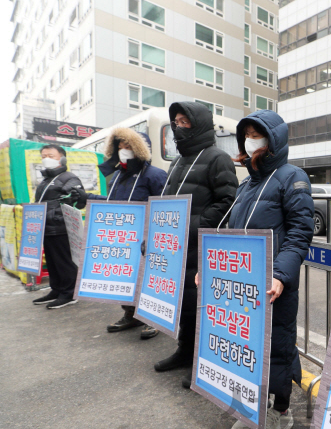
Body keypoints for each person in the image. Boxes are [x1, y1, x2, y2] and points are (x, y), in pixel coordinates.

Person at [223, 110, 314, 429]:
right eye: (245, 133)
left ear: (274, 138)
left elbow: (300, 233)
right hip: (243, 284)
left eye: (257, 133)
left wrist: (280, 274)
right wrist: (212, 265)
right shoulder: (246, 183)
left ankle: (282, 411)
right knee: (251, 347)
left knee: (277, 345)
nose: (250, 139)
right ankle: (256, 407)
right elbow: (230, 233)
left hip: (276, 285)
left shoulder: (292, 177)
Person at [153, 102, 238, 379]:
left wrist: (196, 225)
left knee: (199, 304)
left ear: (198, 123)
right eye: (175, 121)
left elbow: (227, 200)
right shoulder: (177, 161)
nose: (178, 126)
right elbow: (166, 202)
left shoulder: (217, 158)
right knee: (183, 304)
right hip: (174, 246)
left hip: (199, 245)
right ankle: (184, 351)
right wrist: (156, 234)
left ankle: (202, 361)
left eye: (184, 121)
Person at [72, 128, 167, 339]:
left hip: (145, 238)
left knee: (147, 280)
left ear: (141, 149)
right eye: (120, 147)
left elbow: (165, 210)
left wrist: (153, 236)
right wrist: (88, 198)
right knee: (125, 277)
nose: (124, 150)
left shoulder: (156, 175)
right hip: (122, 238)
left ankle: (153, 318)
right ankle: (131, 314)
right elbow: (112, 205)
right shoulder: (117, 176)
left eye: (129, 146)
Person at [32, 145, 86, 309]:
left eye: (51, 155)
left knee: (64, 262)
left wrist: (76, 197)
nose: (46, 158)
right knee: (52, 262)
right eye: (43, 155)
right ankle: (56, 290)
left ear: (62, 158)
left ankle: (70, 293)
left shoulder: (69, 178)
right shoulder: (46, 180)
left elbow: (79, 201)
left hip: (60, 227)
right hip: (46, 227)